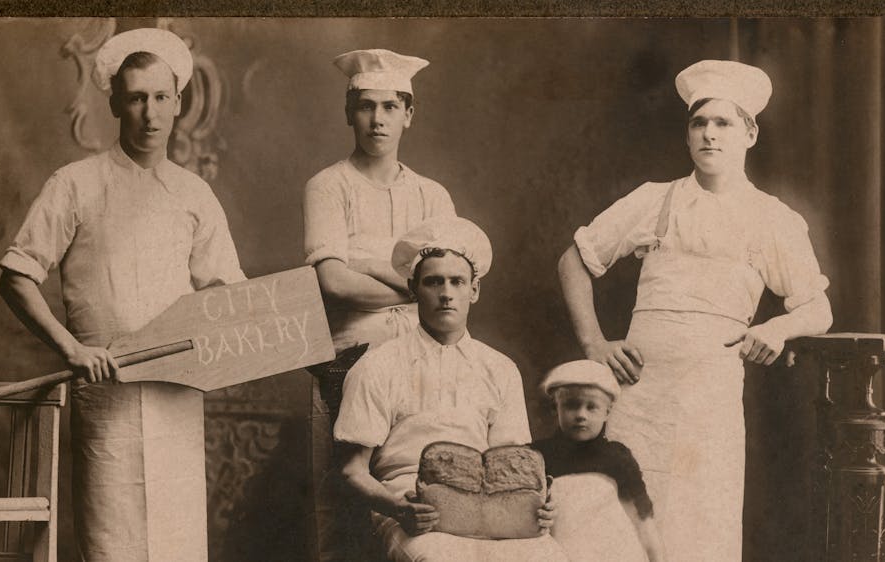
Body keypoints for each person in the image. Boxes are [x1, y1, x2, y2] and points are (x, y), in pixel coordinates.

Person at [557, 59, 833, 561]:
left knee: (700, 530)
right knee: (617, 527)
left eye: (723, 123)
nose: (709, 134)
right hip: (638, 399)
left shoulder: (772, 218)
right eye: (698, 123)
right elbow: (574, 261)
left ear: (750, 133)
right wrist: (595, 344)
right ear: (687, 134)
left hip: (710, 404)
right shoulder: (655, 201)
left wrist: (777, 328)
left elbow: (818, 308)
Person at [0, 28, 245, 561]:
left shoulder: (194, 194)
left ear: (178, 102)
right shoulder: (75, 184)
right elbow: (16, 275)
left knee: (177, 544)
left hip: (177, 400)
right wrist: (71, 349)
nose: (149, 114)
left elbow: (228, 295)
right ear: (114, 102)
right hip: (104, 399)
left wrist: (211, 340)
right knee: (114, 545)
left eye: (160, 98)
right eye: (135, 98)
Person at [334, 216, 569, 561]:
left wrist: (539, 502)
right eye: (433, 282)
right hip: (411, 505)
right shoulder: (378, 365)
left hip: (490, 507)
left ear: (474, 290)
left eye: (457, 281)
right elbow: (351, 471)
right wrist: (398, 508)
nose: (446, 294)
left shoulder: (500, 368)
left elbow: (512, 467)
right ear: (414, 290)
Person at [301, 48, 456, 559]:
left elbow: (445, 286)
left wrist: (365, 263)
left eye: (390, 107)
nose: (377, 119)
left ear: (409, 114)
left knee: (419, 492)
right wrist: (415, 284)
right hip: (348, 359)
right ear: (349, 112)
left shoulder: (433, 196)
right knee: (342, 502)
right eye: (366, 106)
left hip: (422, 362)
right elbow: (333, 283)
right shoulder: (327, 186)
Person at [532, 360, 666, 562]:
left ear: (607, 412)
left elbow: (643, 517)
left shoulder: (617, 457)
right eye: (571, 405)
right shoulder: (538, 456)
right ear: (555, 408)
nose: (581, 415)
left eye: (591, 407)